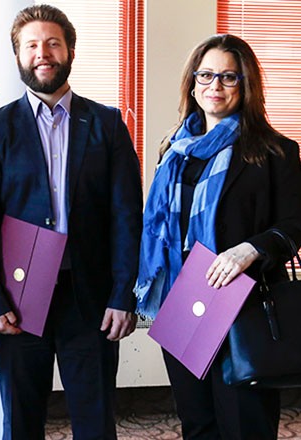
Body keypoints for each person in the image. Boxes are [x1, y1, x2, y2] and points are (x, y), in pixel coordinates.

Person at [0, 5, 143, 439]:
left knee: (96, 422)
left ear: (71, 51)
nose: (42, 53)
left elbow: (126, 217)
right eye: (31, 46)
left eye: (53, 43)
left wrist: (123, 294)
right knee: (21, 423)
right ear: (19, 57)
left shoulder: (107, 124)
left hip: (92, 301)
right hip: (18, 300)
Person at [134, 33, 301, 439]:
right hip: (182, 301)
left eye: (229, 77)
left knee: (246, 425)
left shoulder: (275, 151)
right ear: (192, 82)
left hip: (242, 304)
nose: (215, 86)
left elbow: (295, 224)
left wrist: (250, 249)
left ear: (246, 85)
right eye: (206, 74)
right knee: (197, 422)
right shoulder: (173, 150)